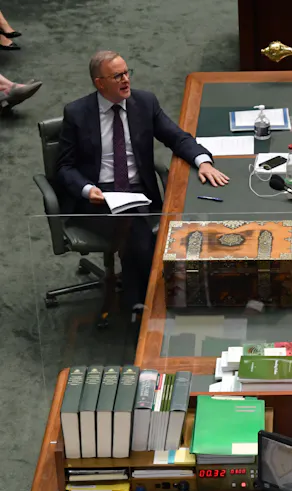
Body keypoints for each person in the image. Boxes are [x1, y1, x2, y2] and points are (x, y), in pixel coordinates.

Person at [57, 50, 229, 312]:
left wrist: (202, 161)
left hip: (139, 193)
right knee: (135, 230)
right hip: (97, 199)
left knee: (134, 227)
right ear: (99, 83)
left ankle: (140, 305)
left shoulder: (145, 103)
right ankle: (151, 302)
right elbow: (64, 167)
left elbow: (177, 137)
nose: (126, 80)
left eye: (127, 73)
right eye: (117, 76)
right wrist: (87, 189)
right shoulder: (77, 113)